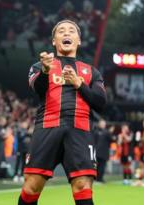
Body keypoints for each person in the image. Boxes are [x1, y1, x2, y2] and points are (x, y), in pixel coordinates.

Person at [19, 20, 107, 205]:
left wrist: (79, 84)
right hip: (47, 128)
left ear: (79, 40)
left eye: (71, 31)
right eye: (61, 31)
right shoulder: (40, 66)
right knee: (30, 187)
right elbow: (37, 88)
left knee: (83, 187)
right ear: (54, 41)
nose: (66, 33)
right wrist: (44, 70)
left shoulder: (91, 72)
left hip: (80, 131)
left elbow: (100, 102)